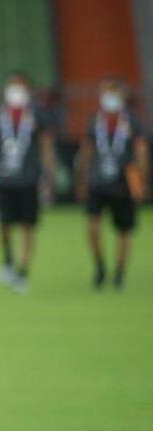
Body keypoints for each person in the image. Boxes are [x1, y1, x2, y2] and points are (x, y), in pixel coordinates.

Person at [0, 70, 56, 293]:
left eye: (21, 86)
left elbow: (47, 147)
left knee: (28, 227)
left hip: (29, 179)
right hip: (5, 179)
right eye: (13, 86)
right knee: (4, 226)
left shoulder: (37, 115)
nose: (17, 91)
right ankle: (8, 259)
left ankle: (23, 271)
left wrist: (49, 176)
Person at [76, 78, 148, 290]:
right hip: (97, 182)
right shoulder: (94, 121)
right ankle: (100, 266)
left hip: (123, 184)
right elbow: (86, 151)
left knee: (124, 230)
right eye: (107, 92)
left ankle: (120, 273)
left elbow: (141, 152)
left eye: (114, 93)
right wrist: (82, 179)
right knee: (92, 225)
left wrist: (139, 182)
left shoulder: (132, 122)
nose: (110, 98)